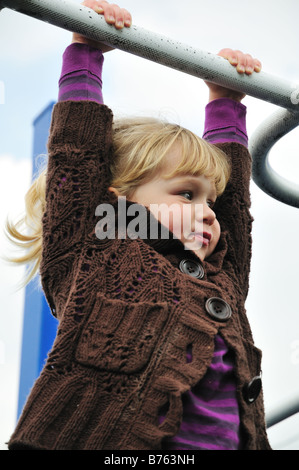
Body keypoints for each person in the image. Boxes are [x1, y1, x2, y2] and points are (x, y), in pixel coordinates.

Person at [7, 0, 270, 450]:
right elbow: (77, 156)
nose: (208, 211)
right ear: (115, 203)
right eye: (186, 194)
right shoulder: (97, 248)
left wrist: (225, 102)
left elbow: (231, 206)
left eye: (208, 200)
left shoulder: (221, 277)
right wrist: (86, 49)